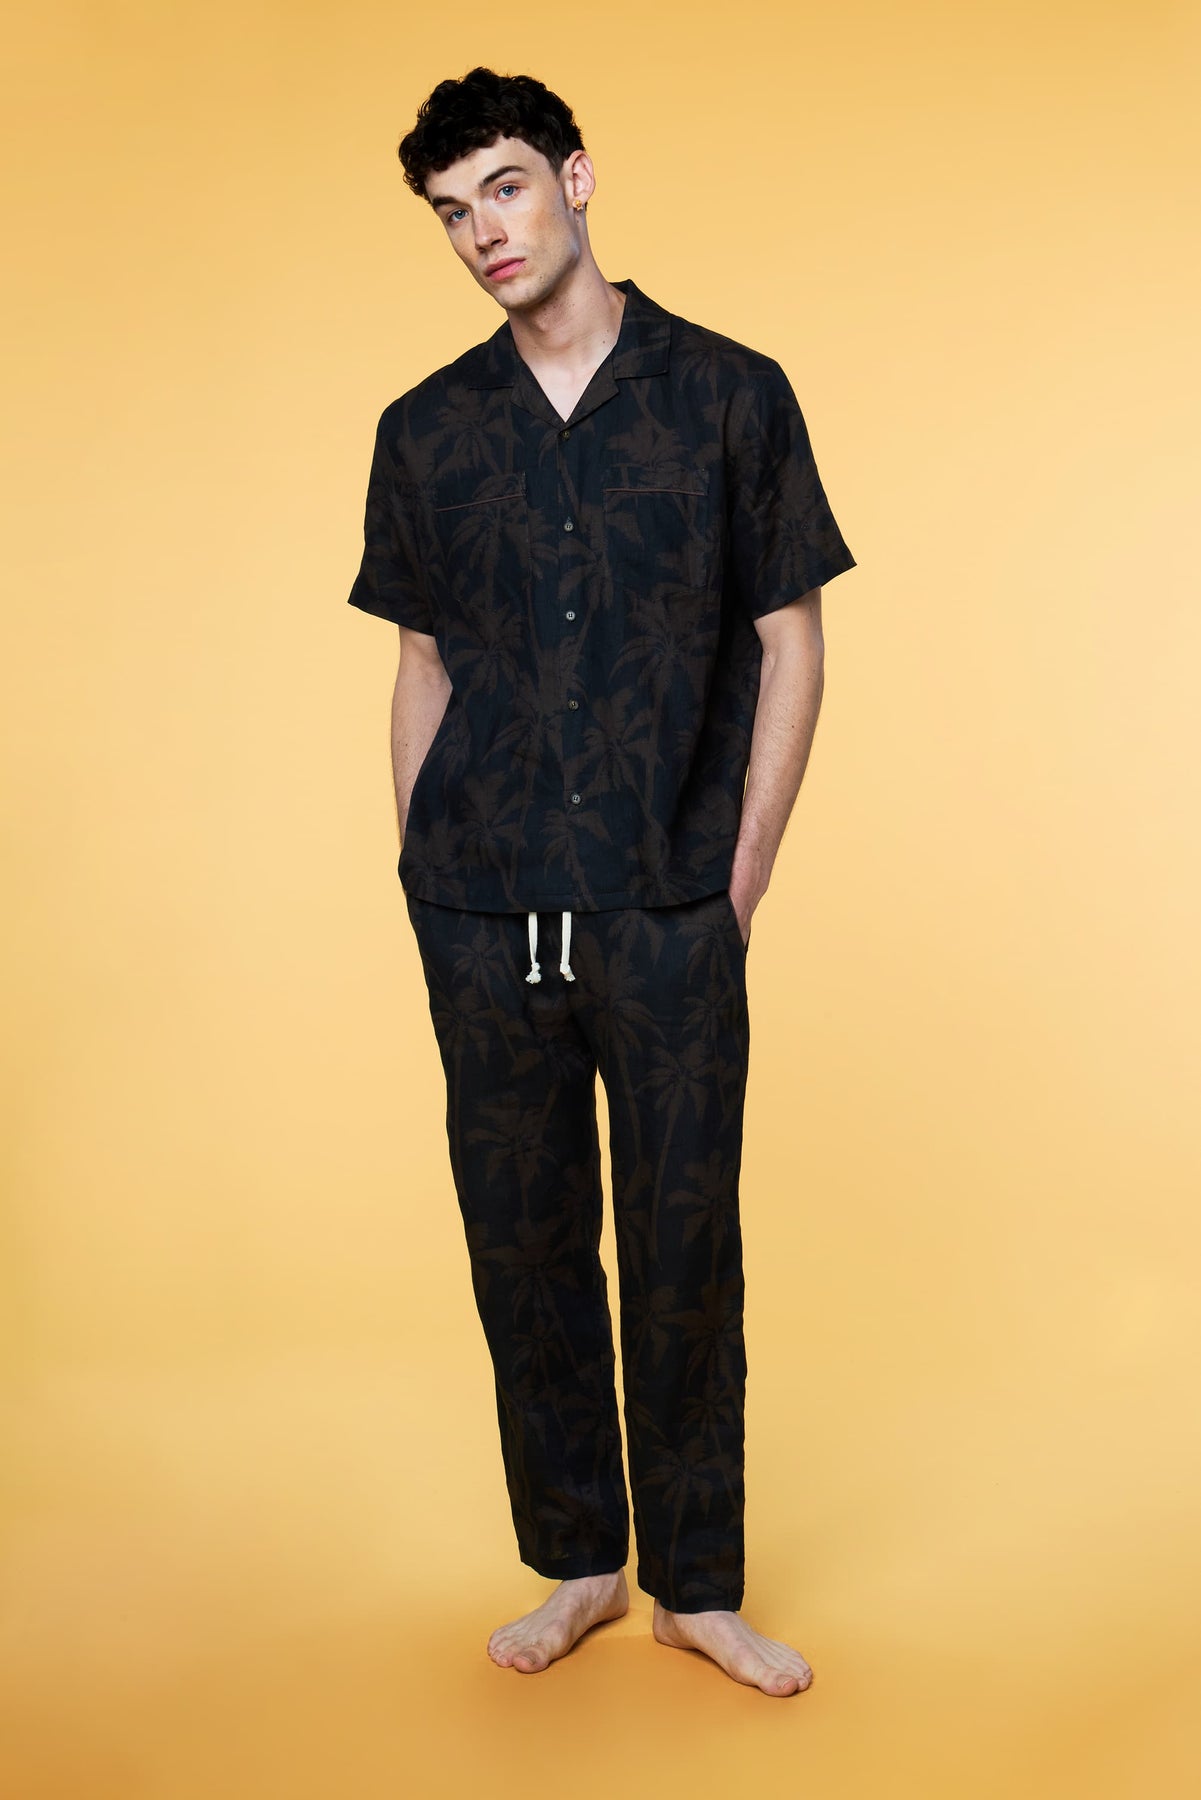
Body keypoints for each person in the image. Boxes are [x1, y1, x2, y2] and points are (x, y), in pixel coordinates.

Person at [346, 66, 856, 1697]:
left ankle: (696, 1588)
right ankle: (577, 1560)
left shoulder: (727, 395)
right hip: (482, 907)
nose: (480, 231)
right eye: (450, 212)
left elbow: (789, 640)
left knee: (684, 1243)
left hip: (665, 905)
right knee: (523, 1244)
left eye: (502, 187)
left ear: (574, 177)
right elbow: (421, 661)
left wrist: (738, 877)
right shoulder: (426, 430)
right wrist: (421, 870)